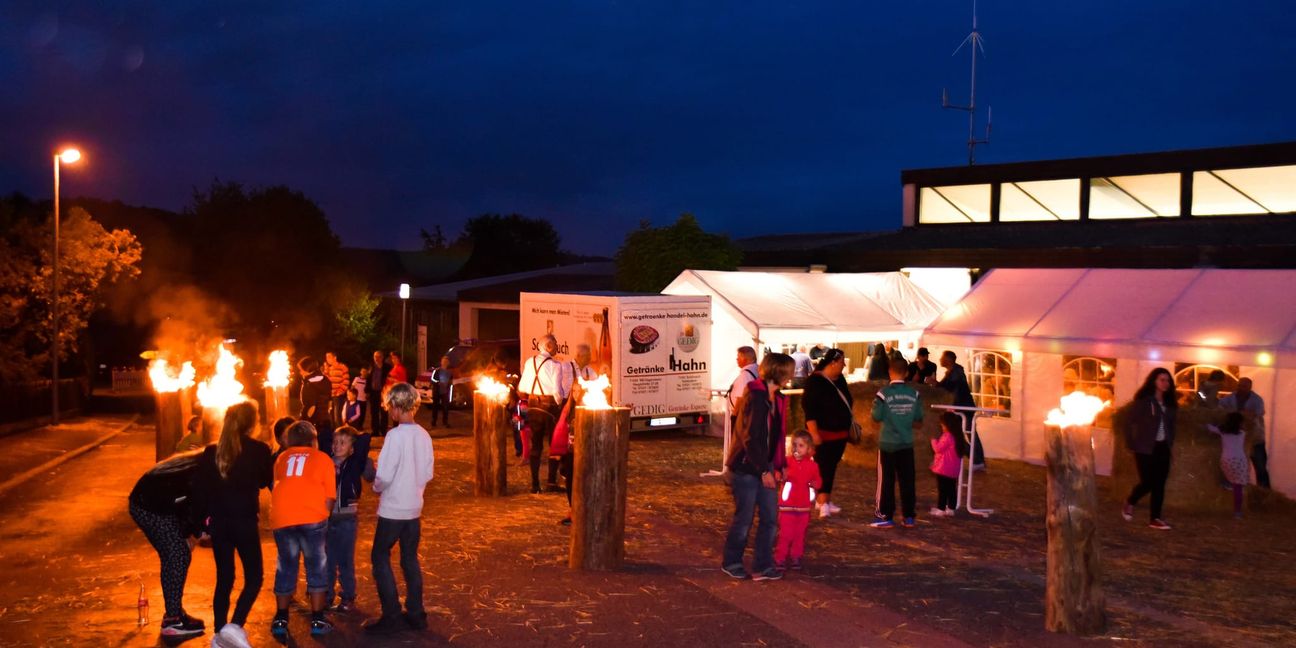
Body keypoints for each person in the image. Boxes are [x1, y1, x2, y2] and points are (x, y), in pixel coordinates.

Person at [190, 400, 273, 648]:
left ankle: (219, 633)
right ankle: (234, 626)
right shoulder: (259, 449)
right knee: (254, 576)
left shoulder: (211, 451)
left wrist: (201, 524)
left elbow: (201, 490)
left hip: (219, 523)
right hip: (244, 521)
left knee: (224, 578)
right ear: (251, 423)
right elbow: (263, 481)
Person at [365, 382, 435, 635]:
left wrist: (375, 485)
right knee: (409, 559)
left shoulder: (395, 437)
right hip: (414, 508)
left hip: (393, 508)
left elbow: (384, 475)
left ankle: (392, 614)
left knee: (380, 557)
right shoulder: (424, 435)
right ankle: (416, 613)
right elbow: (427, 472)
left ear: (395, 406)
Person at [721, 353, 794, 582]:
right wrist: (764, 470)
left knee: (770, 518)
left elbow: (777, 436)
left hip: (765, 465)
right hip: (746, 466)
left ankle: (763, 564)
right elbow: (750, 437)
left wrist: (779, 465)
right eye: (790, 371)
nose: (793, 375)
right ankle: (732, 562)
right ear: (779, 372)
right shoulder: (756, 397)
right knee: (744, 518)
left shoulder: (777, 398)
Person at [129, 449, 207, 638]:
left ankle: (175, 612)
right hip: (149, 506)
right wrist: (196, 531)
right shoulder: (202, 473)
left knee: (176, 554)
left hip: (155, 503)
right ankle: (172, 619)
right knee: (177, 554)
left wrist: (192, 531)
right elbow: (190, 507)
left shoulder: (198, 463)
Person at [269, 421, 336, 637]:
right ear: (313, 439)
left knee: (286, 565)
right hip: (311, 517)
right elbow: (330, 497)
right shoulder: (322, 458)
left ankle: (280, 617)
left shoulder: (281, 458)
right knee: (316, 565)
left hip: (283, 517)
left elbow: (277, 486)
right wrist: (323, 517)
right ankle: (317, 620)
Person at [1121, 368, 1178, 531]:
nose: (1165, 383)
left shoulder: (1170, 403)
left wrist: (1170, 441)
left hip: (1162, 447)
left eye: (1168, 380)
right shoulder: (1144, 401)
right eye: (1162, 380)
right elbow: (1128, 422)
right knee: (1148, 482)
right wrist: (1131, 442)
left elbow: (1172, 425)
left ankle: (1155, 518)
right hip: (1145, 447)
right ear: (1153, 381)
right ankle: (1131, 501)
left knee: (1160, 483)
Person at [870, 361, 924, 529]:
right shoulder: (914, 394)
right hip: (906, 442)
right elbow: (919, 418)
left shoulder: (883, 394)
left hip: (887, 443)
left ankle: (886, 515)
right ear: (907, 373)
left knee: (886, 480)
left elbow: (876, 416)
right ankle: (909, 517)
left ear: (890, 372)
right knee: (908, 481)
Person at [326, 425, 375, 612]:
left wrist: (353, 441)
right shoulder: (326, 462)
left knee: (345, 560)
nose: (337, 446)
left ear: (352, 448)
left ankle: (347, 596)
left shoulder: (355, 463)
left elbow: (364, 440)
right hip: (328, 518)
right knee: (328, 560)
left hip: (348, 518)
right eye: (335, 442)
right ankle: (327, 595)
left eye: (343, 443)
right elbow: (323, 436)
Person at [802, 348, 851, 518]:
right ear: (833, 362)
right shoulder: (815, 382)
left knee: (831, 466)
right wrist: (814, 432)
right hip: (823, 433)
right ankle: (822, 502)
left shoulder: (840, 380)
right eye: (842, 362)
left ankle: (825, 500)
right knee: (824, 468)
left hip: (840, 433)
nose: (844, 365)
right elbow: (810, 410)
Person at [518, 335, 568, 494]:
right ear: (549, 346)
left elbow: (523, 386)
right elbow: (557, 392)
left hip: (533, 405)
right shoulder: (555, 365)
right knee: (555, 445)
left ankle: (534, 485)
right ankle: (551, 482)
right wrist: (562, 403)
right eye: (555, 345)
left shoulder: (529, 362)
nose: (556, 348)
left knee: (536, 445)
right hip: (549, 407)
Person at [928, 351, 984, 470]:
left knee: (967, 435)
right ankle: (977, 460)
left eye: (942, 357)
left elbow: (949, 386)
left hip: (964, 408)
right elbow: (945, 386)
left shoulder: (956, 372)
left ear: (948, 359)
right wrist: (935, 383)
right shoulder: (952, 372)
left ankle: (977, 461)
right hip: (960, 408)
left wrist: (936, 384)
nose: (940, 360)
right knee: (962, 435)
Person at [775, 430, 821, 571]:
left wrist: (815, 484)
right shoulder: (787, 462)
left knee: (799, 534)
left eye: (801, 445)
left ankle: (796, 556)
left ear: (809, 449)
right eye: (794, 445)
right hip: (787, 506)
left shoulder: (812, 465)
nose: (796, 448)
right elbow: (777, 474)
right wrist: (782, 476)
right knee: (785, 534)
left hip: (803, 507)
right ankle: (780, 557)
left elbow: (818, 481)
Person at [1221, 377, 1269, 489]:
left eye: (1244, 386)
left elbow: (1257, 413)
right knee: (1238, 465)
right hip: (1237, 439)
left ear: (1250, 387)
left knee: (1260, 466)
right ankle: (1237, 488)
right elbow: (1220, 406)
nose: (1241, 388)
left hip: (1255, 438)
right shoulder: (1230, 397)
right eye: (1240, 386)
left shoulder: (1257, 400)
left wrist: (1236, 413)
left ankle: (1264, 492)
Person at [1207, 413, 1249, 519]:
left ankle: (1226, 483)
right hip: (1240, 460)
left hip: (1227, 459)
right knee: (1239, 488)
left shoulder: (1223, 432)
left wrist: (1213, 423)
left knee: (1227, 474)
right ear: (1240, 423)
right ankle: (1237, 512)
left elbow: (1208, 427)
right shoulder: (1242, 433)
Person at [929, 412, 968, 517]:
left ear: (948, 425)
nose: (941, 427)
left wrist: (933, 441)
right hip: (953, 469)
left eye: (942, 425)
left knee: (942, 489)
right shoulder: (958, 437)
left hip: (943, 468)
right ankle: (951, 508)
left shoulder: (947, 436)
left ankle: (941, 509)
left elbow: (938, 449)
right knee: (951, 489)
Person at [299, 356, 334, 451]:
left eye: (301, 369)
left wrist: (304, 423)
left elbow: (311, 406)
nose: (300, 372)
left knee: (314, 452)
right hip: (326, 421)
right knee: (326, 451)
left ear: (308, 369)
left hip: (314, 425)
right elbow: (330, 401)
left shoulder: (309, 384)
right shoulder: (325, 380)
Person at [728, 347, 760, 431]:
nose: (737, 359)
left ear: (745, 359)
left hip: (742, 416)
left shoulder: (745, 375)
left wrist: (734, 416)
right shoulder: (758, 371)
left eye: (739, 356)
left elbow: (741, 398)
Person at [324, 352, 350, 428]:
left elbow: (346, 381)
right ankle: (333, 432)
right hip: (330, 395)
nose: (327, 359)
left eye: (329, 357)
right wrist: (326, 370)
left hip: (338, 395)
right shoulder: (329, 368)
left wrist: (340, 391)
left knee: (337, 415)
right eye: (326, 357)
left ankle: (340, 432)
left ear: (335, 358)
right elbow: (326, 380)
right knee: (330, 414)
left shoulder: (342, 367)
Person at [368, 351, 389, 434]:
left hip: (383, 392)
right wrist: (367, 391)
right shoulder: (371, 366)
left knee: (384, 412)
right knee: (374, 412)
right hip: (373, 392)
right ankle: (375, 430)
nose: (376, 358)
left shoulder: (387, 367)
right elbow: (368, 379)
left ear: (382, 357)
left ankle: (383, 430)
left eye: (378, 356)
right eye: (375, 356)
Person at [429, 355, 453, 428]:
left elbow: (451, 382)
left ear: (448, 363)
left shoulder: (449, 372)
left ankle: (445, 422)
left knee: (445, 408)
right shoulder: (437, 371)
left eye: (446, 361)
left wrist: (449, 388)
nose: (445, 362)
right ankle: (434, 421)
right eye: (443, 361)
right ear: (441, 362)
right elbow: (432, 379)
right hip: (437, 391)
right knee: (435, 407)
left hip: (445, 392)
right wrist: (438, 382)